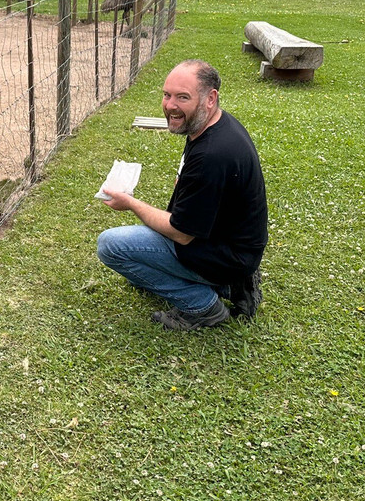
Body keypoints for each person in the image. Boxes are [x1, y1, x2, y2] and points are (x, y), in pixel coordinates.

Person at [97, 59, 267, 330]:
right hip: (229, 246)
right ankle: (231, 285)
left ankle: (204, 306)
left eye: (182, 97)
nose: (170, 105)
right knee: (137, 263)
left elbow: (182, 233)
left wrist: (130, 203)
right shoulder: (213, 126)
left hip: (225, 256)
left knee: (112, 246)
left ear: (210, 98)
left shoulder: (212, 155)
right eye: (167, 95)